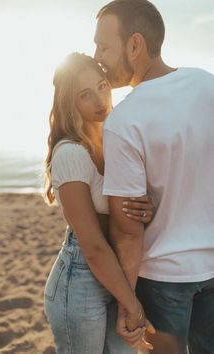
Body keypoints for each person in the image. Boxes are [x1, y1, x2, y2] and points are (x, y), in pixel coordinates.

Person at [94, 0, 214, 353]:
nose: (97, 55)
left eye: (104, 45)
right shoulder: (207, 84)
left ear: (135, 44)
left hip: (162, 276)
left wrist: (128, 304)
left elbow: (128, 232)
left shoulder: (124, 120)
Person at [43, 53, 155, 354]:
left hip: (116, 272)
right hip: (79, 279)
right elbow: (92, 244)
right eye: (85, 94)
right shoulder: (70, 154)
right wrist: (131, 304)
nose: (99, 100)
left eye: (102, 86)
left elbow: (124, 211)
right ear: (71, 103)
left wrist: (146, 208)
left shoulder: (115, 142)